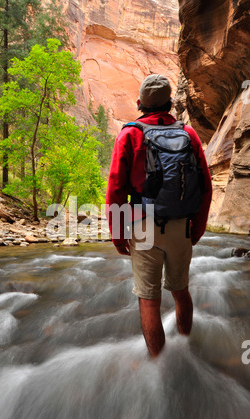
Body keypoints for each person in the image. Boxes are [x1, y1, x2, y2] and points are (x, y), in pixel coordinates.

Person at [105, 74, 212, 358]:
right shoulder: (188, 135)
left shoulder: (130, 134)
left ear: (140, 103)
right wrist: (196, 228)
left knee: (149, 300)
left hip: (142, 226)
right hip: (181, 226)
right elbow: (205, 186)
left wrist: (118, 234)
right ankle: (186, 352)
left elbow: (115, 188)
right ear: (170, 103)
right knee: (181, 291)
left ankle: (159, 367)